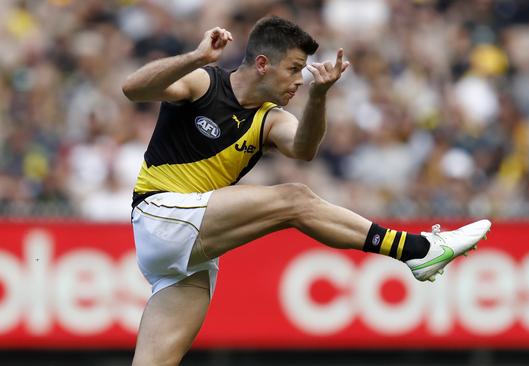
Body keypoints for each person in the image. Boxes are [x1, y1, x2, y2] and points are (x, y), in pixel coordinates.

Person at [122, 16, 491, 366]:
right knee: (294, 198)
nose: (299, 79)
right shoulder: (204, 82)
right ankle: (417, 250)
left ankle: (419, 253)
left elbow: (304, 149)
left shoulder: (270, 118)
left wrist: (318, 97)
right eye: (294, 69)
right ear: (263, 63)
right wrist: (197, 57)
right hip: (161, 215)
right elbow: (133, 88)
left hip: (187, 254)